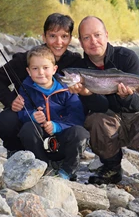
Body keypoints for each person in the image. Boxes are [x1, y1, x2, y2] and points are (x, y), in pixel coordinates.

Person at [69, 16, 139, 192]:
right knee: (94, 121)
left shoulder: (127, 57)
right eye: (86, 37)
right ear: (80, 42)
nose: (93, 41)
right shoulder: (80, 67)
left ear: (106, 35)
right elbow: (99, 108)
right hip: (109, 119)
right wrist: (86, 93)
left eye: (97, 35)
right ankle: (112, 167)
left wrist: (127, 97)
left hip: (137, 113)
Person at [0, 13, 82, 158]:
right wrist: (10, 100)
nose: (58, 42)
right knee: (6, 121)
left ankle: (65, 156)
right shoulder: (24, 60)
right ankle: (16, 152)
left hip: (61, 117)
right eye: (52, 36)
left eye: (64, 36)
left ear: (70, 38)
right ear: (44, 37)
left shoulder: (75, 61)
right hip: (29, 114)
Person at [17, 45, 89, 180]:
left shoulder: (67, 89)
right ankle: (43, 167)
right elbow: (21, 113)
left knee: (80, 133)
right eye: (35, 68)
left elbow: (77, 116)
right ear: (28, 71)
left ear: (54, 69)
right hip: (40, 142)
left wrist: (58, 126)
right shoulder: (25, 88)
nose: (40, 72)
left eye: (45, 68)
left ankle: (67, 171)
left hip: (62, 140)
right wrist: (31, 116)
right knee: (27, 128)